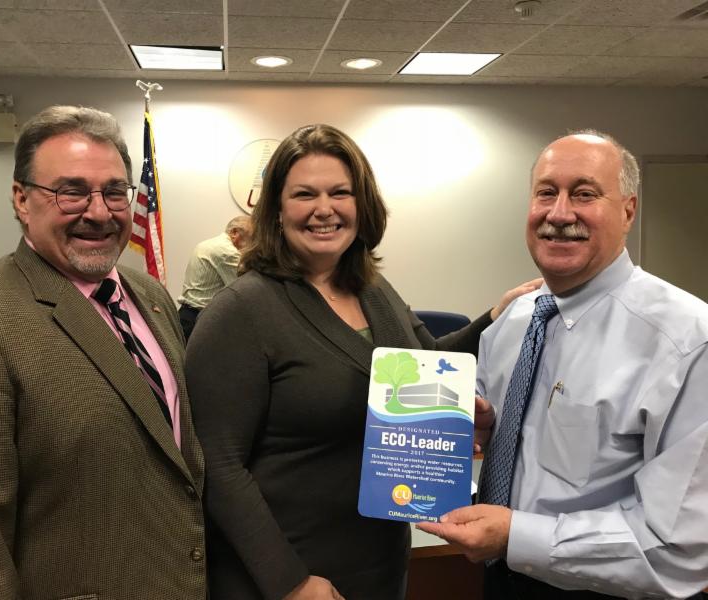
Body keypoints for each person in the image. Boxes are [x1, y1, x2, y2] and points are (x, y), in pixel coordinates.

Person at [184, 123, 540, 600]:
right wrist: (288, 581)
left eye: (340, 192)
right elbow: (218, 465)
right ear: (276, 210)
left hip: (379, 560)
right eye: (304, 194)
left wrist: (494, 318)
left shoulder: (373, 290)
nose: (324, 209)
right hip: (286, 574)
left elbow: (427, 363)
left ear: (362, 204)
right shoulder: (241, 311)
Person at [0, 106, 206, 598]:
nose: (99, 211)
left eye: (114, 191)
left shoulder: (149, 295)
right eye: (71, 191)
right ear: (21, 199)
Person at [419, 130, 708, 599]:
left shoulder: (686, 342)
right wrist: (490, 429)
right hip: (497, 577)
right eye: (546, 193)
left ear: (628, 210)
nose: (559, 213)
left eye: (585, 194)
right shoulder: (514, 320)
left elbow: (677, 549)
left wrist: (517, 536)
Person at [177, 215, 252, 340]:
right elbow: (245, 288)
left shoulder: (208, 243)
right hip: (199, 321)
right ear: (235, 233)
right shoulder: (227, 252)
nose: (252, 244)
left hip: (187, 315)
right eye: (251, 238)